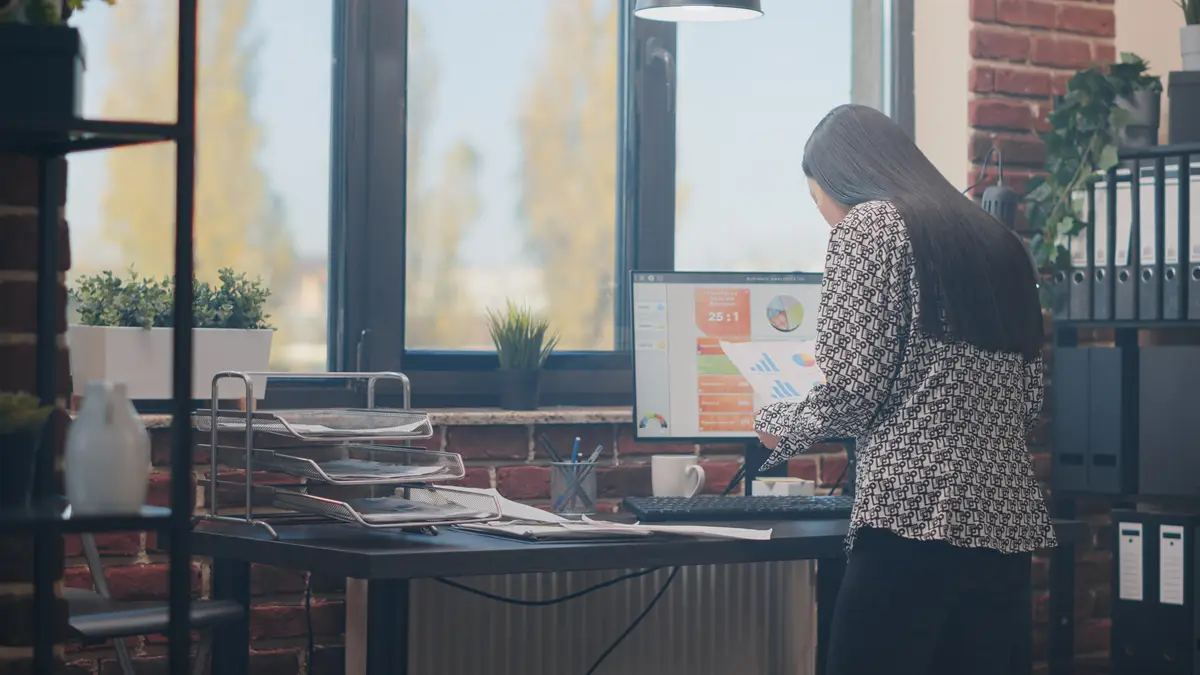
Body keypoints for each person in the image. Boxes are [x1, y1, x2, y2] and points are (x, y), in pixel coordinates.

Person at [753, 104, 1055, 675]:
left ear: (839, 181)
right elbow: (1026, 402)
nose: (825, 219)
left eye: (817, 201)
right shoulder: (1000, 243)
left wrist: (780, 422)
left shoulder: (871, 227)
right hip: (1002, 534)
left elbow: (853, 391)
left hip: (911, 526)